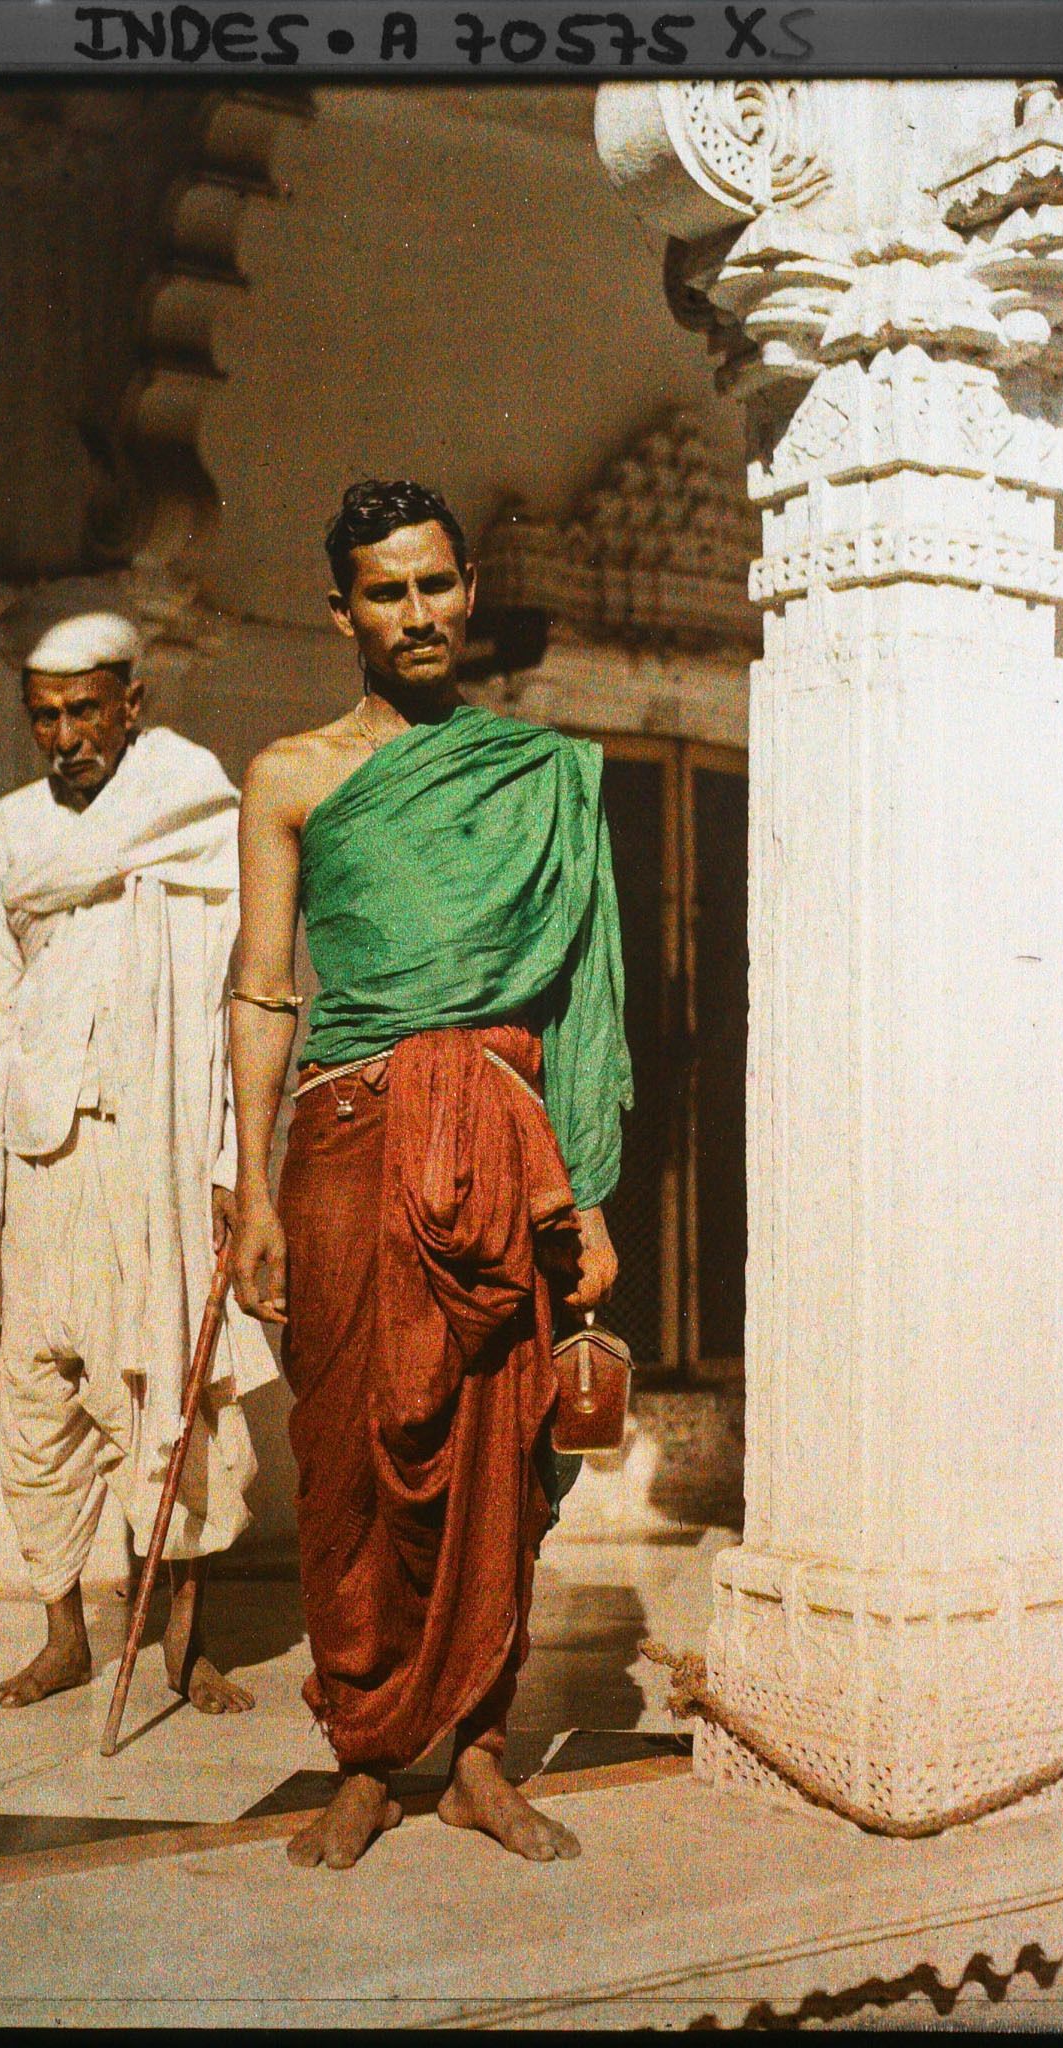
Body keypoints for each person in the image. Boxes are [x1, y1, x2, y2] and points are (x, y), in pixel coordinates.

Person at [230, 481, 634, 1867]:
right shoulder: (289, 775)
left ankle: (473, 1755)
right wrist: (248, 1194)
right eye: (385, 592)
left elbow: (578, 993)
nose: (417, 614)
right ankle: (363, 1754)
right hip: (343, 1147)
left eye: (435, 584)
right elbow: (263, 994)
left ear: (469, 589)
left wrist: (583, 1192)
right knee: (346, 1453)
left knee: (499, 1454)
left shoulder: (540, 778)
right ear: (339, 609)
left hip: (504, 1147)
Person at [0, 609, 277, 1713]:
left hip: (165, 1147)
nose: (64, 735)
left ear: (132, 704)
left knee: (170, 1384)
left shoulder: (197, 814)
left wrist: (235, 1160)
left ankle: (186, 1637)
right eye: (43, 717)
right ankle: (66, 1636)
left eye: (84, 710)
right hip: (44, 1155)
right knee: (35, 1390)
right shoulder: (5, 832)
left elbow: (249, 1000)